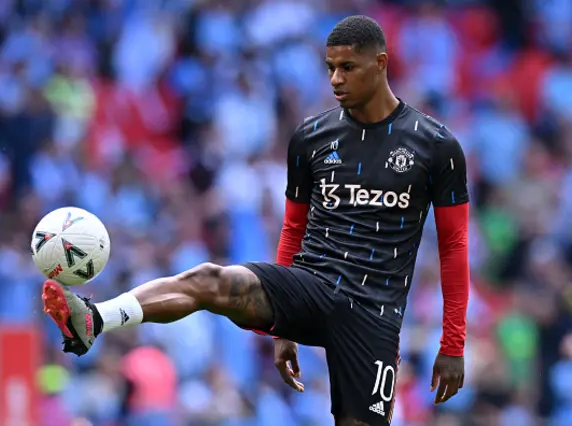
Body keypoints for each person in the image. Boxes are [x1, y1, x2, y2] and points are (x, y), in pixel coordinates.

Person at [41, 15, 470, 426]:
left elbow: (454, 247)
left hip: (373, 315)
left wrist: (452, 344)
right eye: (330, 68)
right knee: (210, 278)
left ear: (380, 65)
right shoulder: (311, 137)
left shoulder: (435, 145)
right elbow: (293, 229)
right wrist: (281, 331)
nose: (335, 79)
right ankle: (95, 318)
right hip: (311, 287)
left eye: (347, 68)